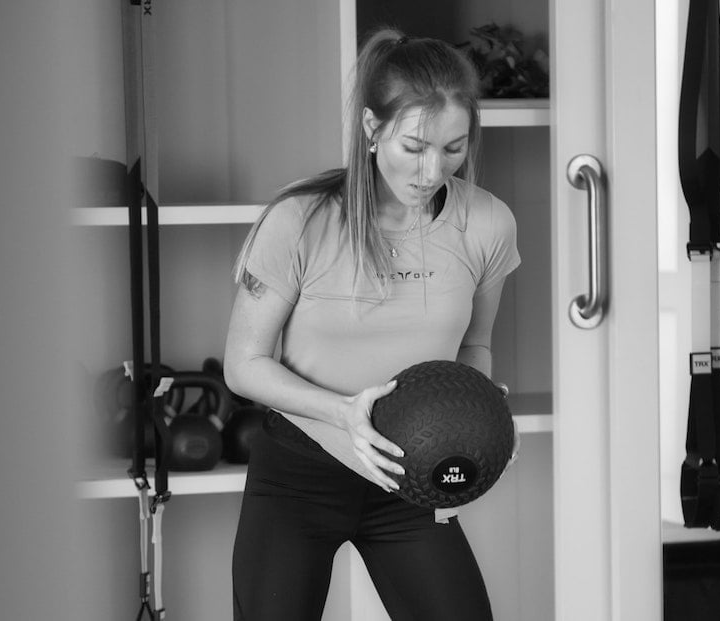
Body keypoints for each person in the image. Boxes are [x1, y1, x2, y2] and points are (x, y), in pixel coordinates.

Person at [223, 27, 521, 621]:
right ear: (371, 128)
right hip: (299, 475)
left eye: (454, 148)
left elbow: (475, 345)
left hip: (412, 483)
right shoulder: (299, 221)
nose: (433, 169)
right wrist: (344, 414)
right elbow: (243, 365)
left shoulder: (487, 224)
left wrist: (479, 419)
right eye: (414, 146)